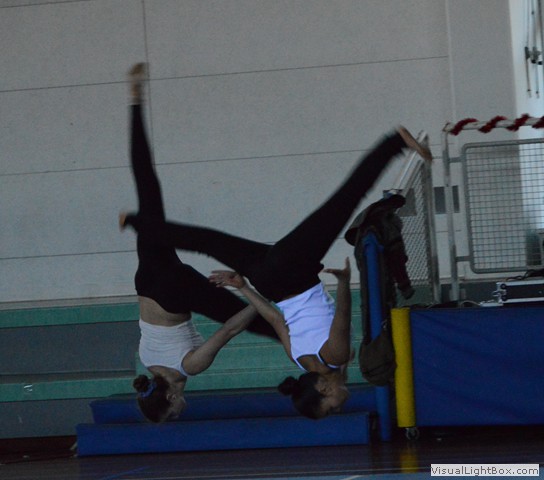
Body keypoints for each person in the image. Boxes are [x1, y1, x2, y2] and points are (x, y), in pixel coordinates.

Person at [121, 88, 432, 419]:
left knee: (342, 203)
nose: (341, 403)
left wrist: (344, 283)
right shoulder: (300, 360)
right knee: (207, 241)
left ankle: (394, 144)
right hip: (250, 280)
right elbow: (272, 318)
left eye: (332, 406)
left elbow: (332, 318)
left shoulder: (323, 357)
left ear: (324, 388)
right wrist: (243, 286)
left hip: (286, 275)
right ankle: (138, 223)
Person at [122, 63, 278, 423]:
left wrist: (259, 296)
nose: (180, 412)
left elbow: (231, 328)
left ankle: (314, 356)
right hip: (146, 283)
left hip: (173, 291)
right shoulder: (147, 363)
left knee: (258, 321)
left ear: (171, 397)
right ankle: (134, 101)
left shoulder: (190, 367)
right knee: (148, 189)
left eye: (173, 413)